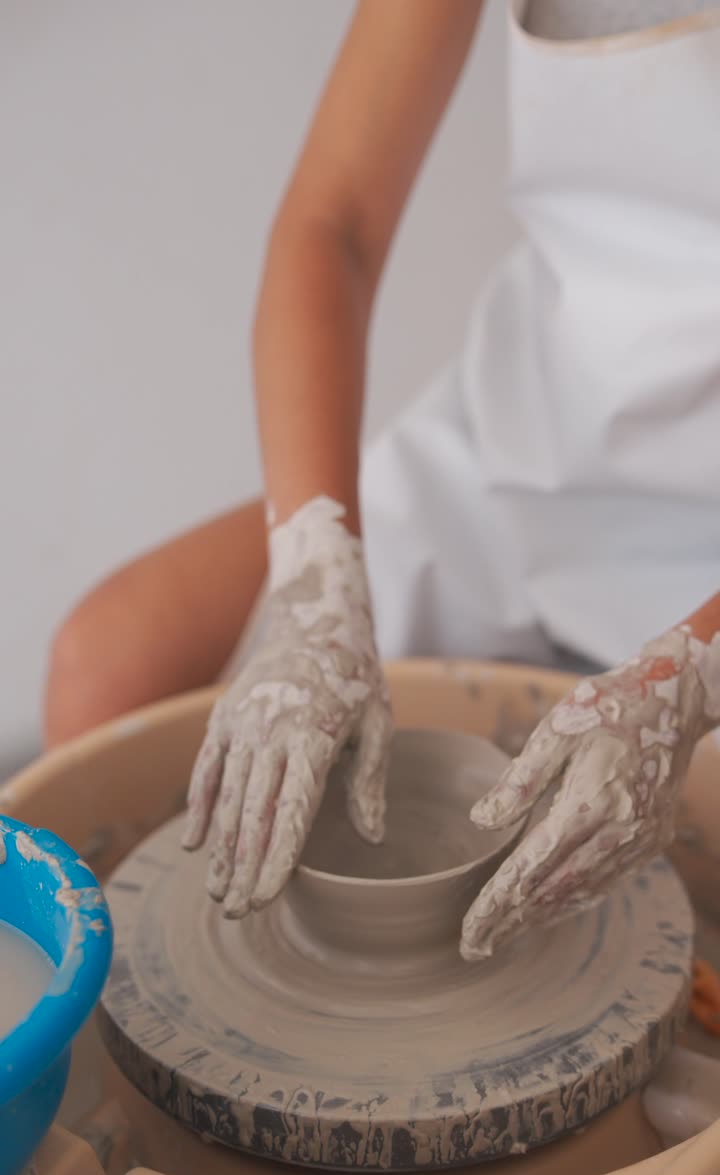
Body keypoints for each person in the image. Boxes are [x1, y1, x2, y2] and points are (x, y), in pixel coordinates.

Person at [44, 0, 720, 957]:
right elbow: (337, 221)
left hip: (705, 546)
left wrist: (692, 674)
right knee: (104, 670)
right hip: (527, 442)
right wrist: (318, 589)